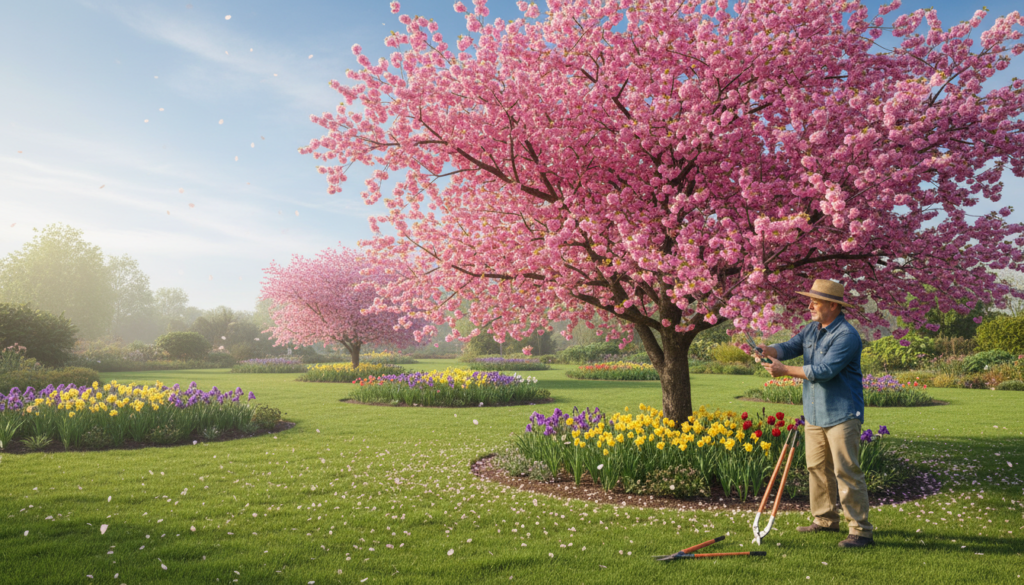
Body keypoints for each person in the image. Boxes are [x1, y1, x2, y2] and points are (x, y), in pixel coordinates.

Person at [756, 279, 874, 548]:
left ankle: (860, 531)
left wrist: (784, 371)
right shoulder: (811, 329)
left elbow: (823, 371)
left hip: (842, 413)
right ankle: (824, 519)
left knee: (846, 471)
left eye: (815, 302)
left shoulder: (846, 335)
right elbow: (789, 347)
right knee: (817, 468)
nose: (809, 306)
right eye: (810, 300)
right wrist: (768, 350)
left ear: (833, 305)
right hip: (814, 412)